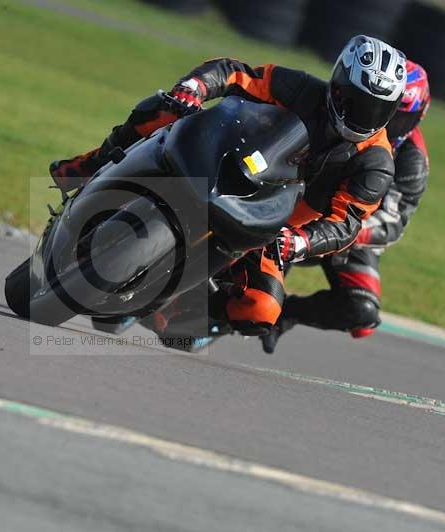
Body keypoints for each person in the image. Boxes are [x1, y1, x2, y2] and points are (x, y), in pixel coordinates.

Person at [51, 35, 407, 337]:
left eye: (377, 109)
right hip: (230, 163)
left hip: (275, 228)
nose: (364, 115)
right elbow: (235, 72)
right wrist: (195, 88)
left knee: (261, 310)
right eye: (357, 102)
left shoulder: (376, 162)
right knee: (164, 109)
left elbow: (346, 223)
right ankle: (92, 163)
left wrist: (301, 241)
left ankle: (189, 307)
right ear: (337, 84)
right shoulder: (301, 89)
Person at [260, 60, 431, 353]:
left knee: (362, 315)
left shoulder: (412, 161)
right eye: (383, 107)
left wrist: (342, 227)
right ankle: (223, 308)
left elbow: (392, 223)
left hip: (352, 233)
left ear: (418, 117)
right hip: (301, 206)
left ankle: (288, 313)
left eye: (398, 117)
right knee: (262, 264)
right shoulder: (343, 120)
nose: (384, 121)